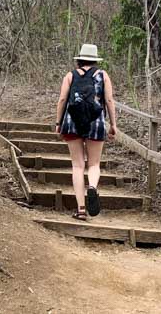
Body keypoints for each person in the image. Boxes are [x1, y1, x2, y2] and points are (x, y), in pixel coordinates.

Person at [54, 43, 117, 220]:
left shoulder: (70, 75)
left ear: (79, 59)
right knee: (94, 164)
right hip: (96, 122)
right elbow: (110, 101)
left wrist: (58, 123)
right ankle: (93, 187)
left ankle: (81, 209)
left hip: (72, 121)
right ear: (95, 60)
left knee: (77, 165)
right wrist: (113, 124)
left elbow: (62, 99)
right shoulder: (103, 75)